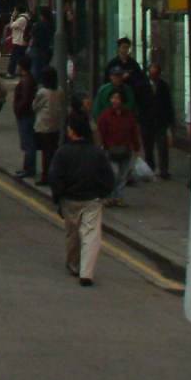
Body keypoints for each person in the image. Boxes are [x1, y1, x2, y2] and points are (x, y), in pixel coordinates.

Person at [47, 113, 116, 285]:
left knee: (73, 234)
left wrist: (58, 197)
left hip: (69, 199)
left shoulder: (63, 152)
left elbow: (54, 177)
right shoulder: (97, 153)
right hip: (92, 199)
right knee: (91, 235)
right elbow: (109, 177)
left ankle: (74, 264)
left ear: (71, 131)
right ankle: (86, 273)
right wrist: (103, 193)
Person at [96, 86, 142, 206]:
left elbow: (133, 131)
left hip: (125, 149)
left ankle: (118, 197)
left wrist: (136, 147)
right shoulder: (105, 115)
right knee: (114, 173)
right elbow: (101, 132)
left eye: (117, 98)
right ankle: (109, 196)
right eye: (113, 98)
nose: (115, 100)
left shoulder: (128, 115)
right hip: (110, 150)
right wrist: (102, 146)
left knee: (123, 175)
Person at [33, 66, 66, 181]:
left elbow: (34, 106)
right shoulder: (60, 90)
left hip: (43, 125)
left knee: (45, 152)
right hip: (55, 125)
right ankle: (54, 173)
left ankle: (45, 176)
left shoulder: (42, 92)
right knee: (53, 150)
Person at [12, 62, 40, 179]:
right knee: (27, 143)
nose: (16, 67)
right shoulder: (27, 79)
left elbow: (26, 99)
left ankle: (29, 169)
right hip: (26, 115)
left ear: (22, 67)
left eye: (18, 65)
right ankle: (27, 168)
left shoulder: (26, 81)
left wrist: (18, 109)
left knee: (28, 143)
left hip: (25, 115)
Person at [148, 64, 177, 179]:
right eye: (152, 73)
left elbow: (168, 103)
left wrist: (169, 120)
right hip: (148, 120)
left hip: (161, 120)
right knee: (149, 146)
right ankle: (150, 168)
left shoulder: (164, 86)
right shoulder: (144, 85)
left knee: (162, 147)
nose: (154, 76)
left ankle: (163, 170)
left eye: (156, 74)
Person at [4, 7, 30, 77]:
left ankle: (10, 73)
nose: (14, 11)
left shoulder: (21, 19)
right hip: (21, 41)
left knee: (14, 58)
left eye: (15, 10)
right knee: (21, 58)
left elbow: (11, 26)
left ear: (18, 11)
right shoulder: (25, 17)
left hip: (19, 41)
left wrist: (12, 17)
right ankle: (21, 72)